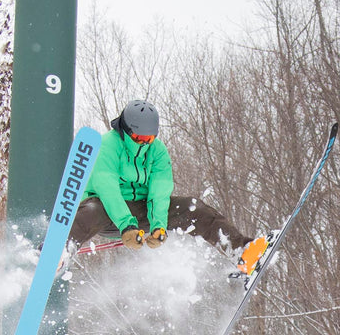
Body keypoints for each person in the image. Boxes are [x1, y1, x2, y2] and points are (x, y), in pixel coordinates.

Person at [68, 99, 271, 275]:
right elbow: (107, 188)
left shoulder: (157, 151)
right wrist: (127, 225)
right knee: (94, 209)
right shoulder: (107, 145)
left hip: (141, 209)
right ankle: (59, 251)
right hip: (108, 211)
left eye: (149, 139)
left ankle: (241, 252)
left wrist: (158, 225)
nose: (143, 143)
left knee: (194, 208)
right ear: (126, 130)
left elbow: (160, 189)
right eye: (138, 138)